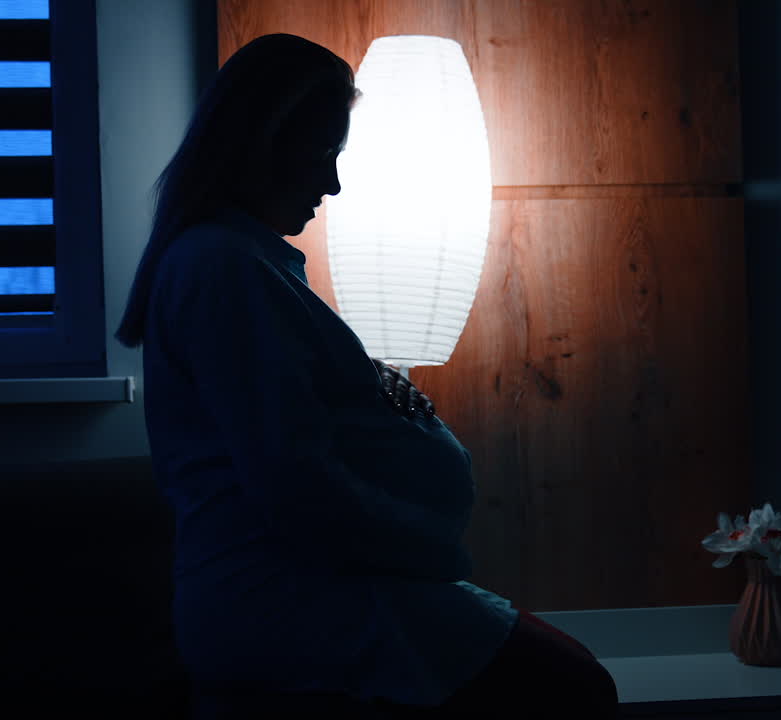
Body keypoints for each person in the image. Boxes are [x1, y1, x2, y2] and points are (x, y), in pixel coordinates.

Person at [115, 33, 618, 719]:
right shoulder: (224, 270)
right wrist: (434, 550)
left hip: (325, 585)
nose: (332, 184)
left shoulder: (247, 266)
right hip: (295, 599)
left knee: (569, 677)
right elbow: (294, 483)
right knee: (570, 685)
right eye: (322, 154)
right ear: (264, 144)